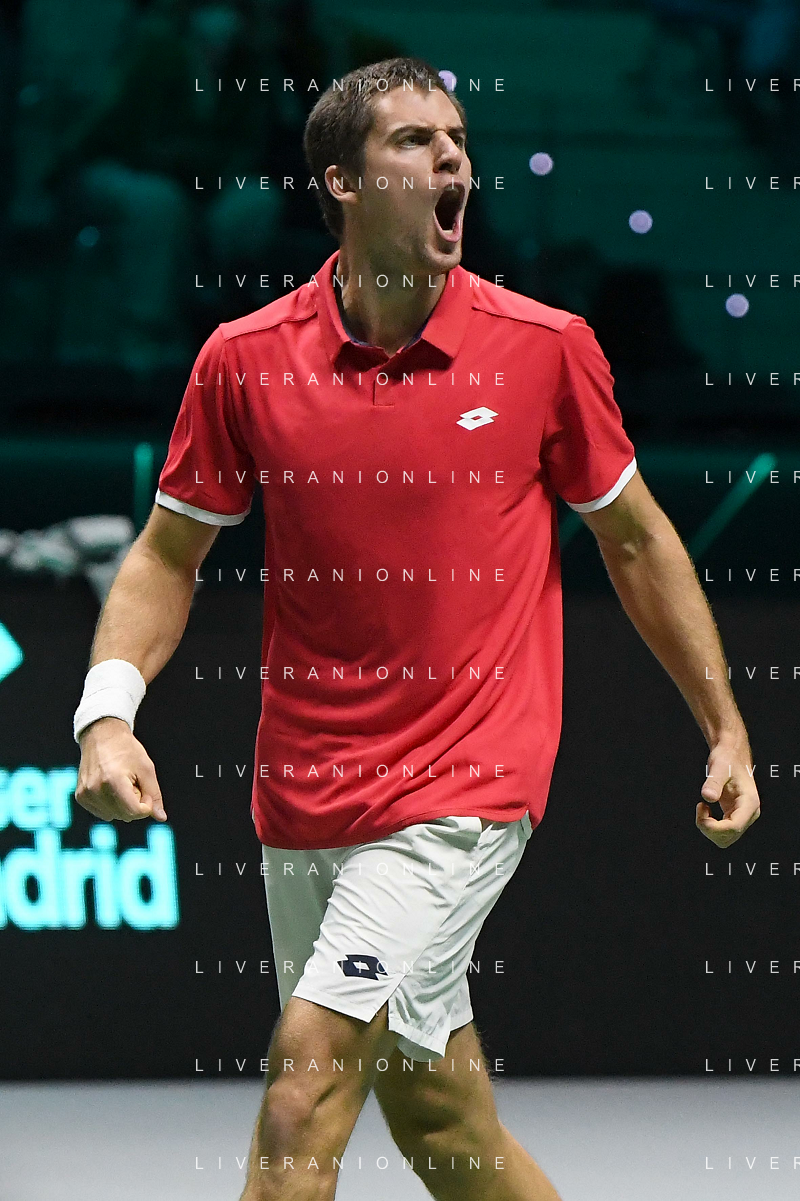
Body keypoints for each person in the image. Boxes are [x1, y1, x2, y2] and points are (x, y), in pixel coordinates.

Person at [73, 57, 761, 1201]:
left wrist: (723, 726)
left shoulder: (543, 347)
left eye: (457, 139)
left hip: (462, 783)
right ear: (341, 182)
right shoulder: (243, 360)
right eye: (413, 140)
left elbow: (635, 539)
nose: (452, 158)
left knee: (302, 1088)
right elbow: (165, 553)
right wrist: (106, 715)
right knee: (441, 1120)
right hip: (303, 789)